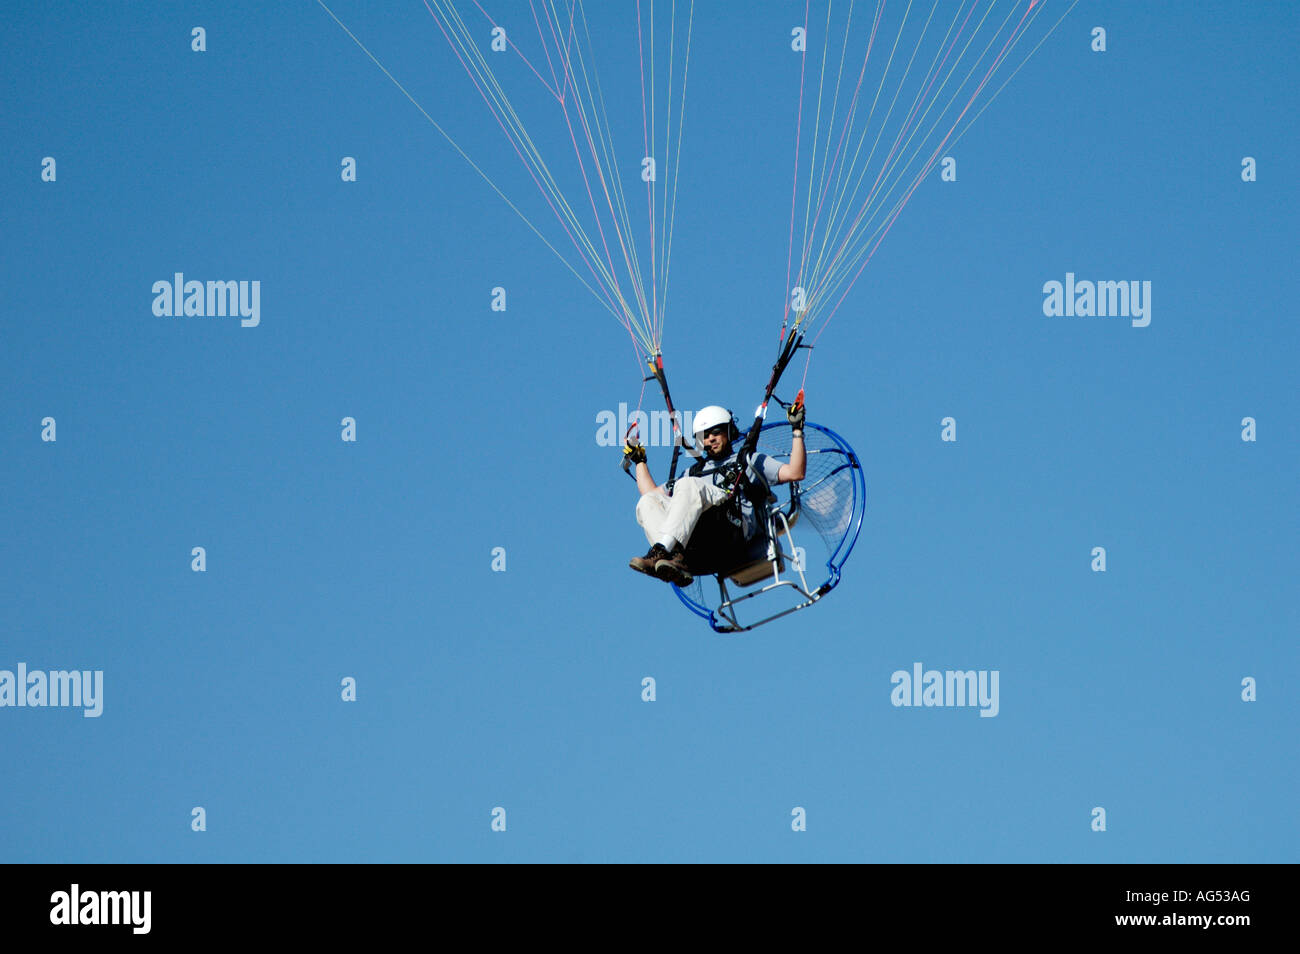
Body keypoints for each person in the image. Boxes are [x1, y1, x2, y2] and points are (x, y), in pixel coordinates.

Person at [626, 401, 807, 586]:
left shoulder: (750, 460)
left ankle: (662, 551)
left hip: (731, 535)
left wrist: (797, 430)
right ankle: (673, 561)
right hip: (699, 550)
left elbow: (795, 473)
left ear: (728, 431)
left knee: (688, 485)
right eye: (705, 436)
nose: (711, 438)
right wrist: (639, 460)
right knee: (646, 502)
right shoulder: (694, 472)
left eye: (716, 432)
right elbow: (654, 497)